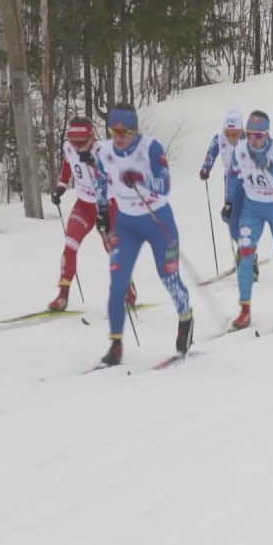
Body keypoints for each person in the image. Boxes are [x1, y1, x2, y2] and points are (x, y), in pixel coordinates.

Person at [91, 104, 195, 367]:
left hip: (158, 221)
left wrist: (141, 179)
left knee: (169, 277)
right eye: (114, 130)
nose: (119, 136)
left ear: (135, 130)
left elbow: (166, 186)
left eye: (124, 131)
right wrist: (102, 214)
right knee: (118, 285)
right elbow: (101, 183)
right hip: (126, 225)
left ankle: (185, 318)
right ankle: (115, 345)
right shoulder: (104, 151)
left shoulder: (151, 148)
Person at [48, 116, 137, 312]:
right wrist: (61, 187)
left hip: (108, 204)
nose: (78, 147)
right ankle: (62, 295)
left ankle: (127, 287)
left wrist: (95, 164)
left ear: (92, 137)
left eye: (82, 143)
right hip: (84, 205)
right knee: (70, 243)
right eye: (74, 142)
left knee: (112, 249)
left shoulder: (103, 151)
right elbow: (66, 165)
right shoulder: (69, 147)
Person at [227, 111, 273, 330]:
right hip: (253, 206)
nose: (253, 140)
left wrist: (269, 164)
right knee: (245, 253)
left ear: (267, 134)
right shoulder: (240, 150)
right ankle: (244, 309)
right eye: (249, 134)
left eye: (258, 136)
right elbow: (233, 175)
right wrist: (230, 202)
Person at [198, 109, 256, 281]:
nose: (232, 138)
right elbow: (211, 154)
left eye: (235, 134)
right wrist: (205, 169)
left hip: (247, 181)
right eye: (228, 133)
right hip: (230, 182)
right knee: (229, 216)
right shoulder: (219, 140)